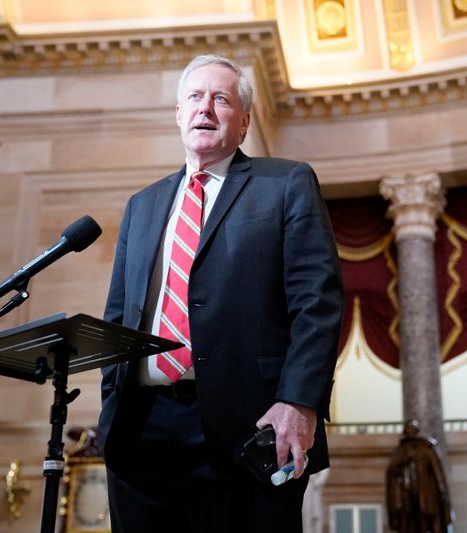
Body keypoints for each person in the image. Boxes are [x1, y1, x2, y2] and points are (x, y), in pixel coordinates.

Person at [98, 54, 344, 533]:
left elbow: (318, 303)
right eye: (194, 97)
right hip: (141, 432)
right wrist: (112, 407)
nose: (204, 109)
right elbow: (118, 317)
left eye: (221, 99)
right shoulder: (142, 206)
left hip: (250, 430)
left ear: (245, 120)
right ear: (178, 114)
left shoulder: (285, 183)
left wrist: (300, 402)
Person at [385, 420, 452, 533]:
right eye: (409, 429)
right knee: (407, 524)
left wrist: (443, 493)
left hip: (424, 494)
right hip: (405, 495)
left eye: (413, 429)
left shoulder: (427, 448)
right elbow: (392, 473)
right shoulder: (398, 452)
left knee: (425, 522)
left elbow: (438, 473)